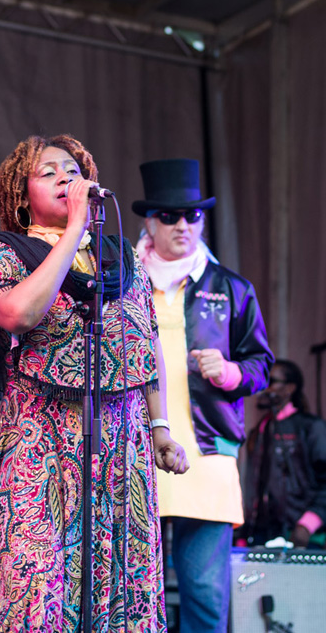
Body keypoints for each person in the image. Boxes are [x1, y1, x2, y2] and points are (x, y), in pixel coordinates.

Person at [0, 135, 188, 633]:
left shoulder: (121, 259)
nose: (65, 178)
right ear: (22, 195)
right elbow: (18, 314)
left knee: (119, 586)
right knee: (36, 586)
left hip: (120, 447)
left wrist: (160, 427)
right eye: (48, 172)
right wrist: (74, 227)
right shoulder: (3, 254)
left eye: (73, 171)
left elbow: (145, 342)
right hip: (40, 446)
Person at [131, 158, 274, 633]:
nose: (182, 225)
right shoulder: (122, 285)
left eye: (192, 215)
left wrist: (231, 372)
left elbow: (261, 365)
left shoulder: (231, 288)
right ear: (149, 222)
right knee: (131, 595)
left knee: (205, 595)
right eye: (169, 216)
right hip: (134, 451)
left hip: (208, 455)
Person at [244, 358, 326, 548]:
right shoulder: (259, 430)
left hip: (304, 536)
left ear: (290, 388)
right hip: (263, 535)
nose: (264, 387)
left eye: (271, 381)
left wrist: (308, 524)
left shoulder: (311, 427)